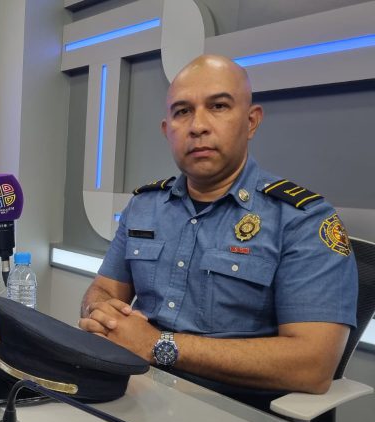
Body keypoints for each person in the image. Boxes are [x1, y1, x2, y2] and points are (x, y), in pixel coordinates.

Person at [79, 54, 357, 395]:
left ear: (251, 121)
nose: (198, 126)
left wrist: (158, 345)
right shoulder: (144, 206)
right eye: (182, 111)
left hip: (236, 411)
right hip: (132, 390)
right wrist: (99, 310)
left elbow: (312, 366)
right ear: (167, 130)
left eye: (218, 106)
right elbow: (104, 290)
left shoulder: (303, 220)